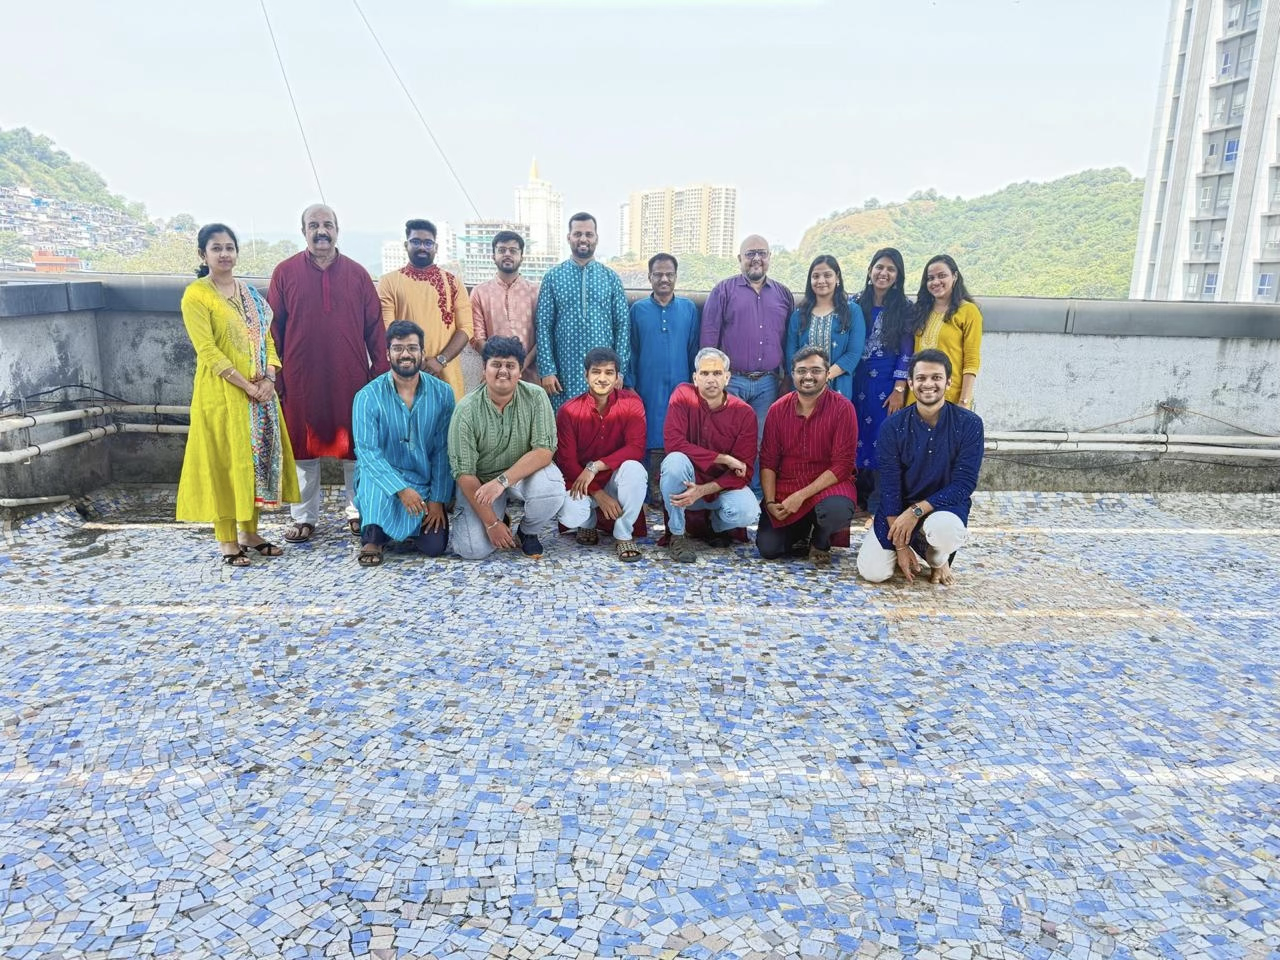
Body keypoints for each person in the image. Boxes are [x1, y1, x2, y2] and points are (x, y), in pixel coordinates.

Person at [177, 223, 299, 565]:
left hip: (260, 394)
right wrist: (247, 386)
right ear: (203, 254)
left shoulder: (248, 294)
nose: (224, 254)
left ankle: (250, 532)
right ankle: (227, 539)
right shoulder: (197, 295)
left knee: (253, 463)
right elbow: (208, 350)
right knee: (225, 463)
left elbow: (268, 341)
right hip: (223, 396)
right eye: (216, 248)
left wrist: (270, 379)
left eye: (229, 247)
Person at [269, 203, 388, 543]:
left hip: (349, 379)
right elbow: (273, 330)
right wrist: (275, 376)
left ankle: (358, 512)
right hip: (301, 377)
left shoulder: (358, 275)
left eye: (327, 224)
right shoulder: (284, 273)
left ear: (338, 230)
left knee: (356, 449)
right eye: (313, 225)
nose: (321, 231)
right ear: (302, 230)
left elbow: (375, 331)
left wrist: (378, 378)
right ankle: (304, 518)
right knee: (303, 452)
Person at [856, 349, 984, 586]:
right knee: (873, 572)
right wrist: (901, 545)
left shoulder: (969, 424)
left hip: (943, 508)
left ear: (948, 382)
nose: (929, 384)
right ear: (911, 382)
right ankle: (911, 546)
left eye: (936, 377)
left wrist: (916, 511)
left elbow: (964, 484)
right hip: (898, 508)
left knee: (946, 530)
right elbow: (890, 485)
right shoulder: (893, 426)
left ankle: (936, 558)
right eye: (922, 378)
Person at [448, 336, 566, 560]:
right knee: (472, 550)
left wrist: (502, 482)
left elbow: (544, 451)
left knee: (552, 489)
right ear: (484, 369)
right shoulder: (466, 410)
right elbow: (464, 473)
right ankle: (500, 517)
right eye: (496, 365)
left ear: (520, 371)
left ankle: (527, 532)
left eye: (510, 366)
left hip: (521, 476)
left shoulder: (535, 396)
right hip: (481, 484)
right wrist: (492, 524)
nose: (503, 371)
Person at [350, 320, 456, 567]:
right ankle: (373, 539)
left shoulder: (443, 394)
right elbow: (368, 453)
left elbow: (443, 450)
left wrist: (438, 500)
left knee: (434, 547)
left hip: (422, 479)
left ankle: (401, 529)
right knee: (375, 519)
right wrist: (400, 489)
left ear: (422, 353)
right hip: (381, 479)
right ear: (388, 354)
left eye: (412, 348)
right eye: (398, 348)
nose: (405, 354)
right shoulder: (367, 396)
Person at [700, 234, 795, 494]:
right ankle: (720, 491)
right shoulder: (723, 290)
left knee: (761, 441)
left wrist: (786, 377)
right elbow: (709, 338)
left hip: (768, 383)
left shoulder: (783, 294)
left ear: (769, 258)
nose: (756, 259)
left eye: (762, 253)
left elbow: (788, 340)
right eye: (750, 253)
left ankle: (751, 494)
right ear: (739, 258)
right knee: (724, 438)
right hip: (733, 380)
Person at [757, 347, 858, 566]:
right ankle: (803, 526)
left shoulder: (843, 409)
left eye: (816, 370)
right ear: (792, 374)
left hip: (828, 485)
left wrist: (801, 496)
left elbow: (843, 465)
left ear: (827, 373)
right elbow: (768, 460)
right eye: (801, 371)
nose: (808, 376)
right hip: (788, 485)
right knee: (768, 549)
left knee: (835, 511)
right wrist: (771, 501)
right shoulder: (777, 410)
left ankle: (821, 539)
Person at [660, 347, 761, 562]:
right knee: (673, 461)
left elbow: (744, 470)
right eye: (704, 374)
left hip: (719, 490)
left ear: (727, 377)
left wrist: (704, 490)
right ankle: (677, 535)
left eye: (716, 373)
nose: (711, 379)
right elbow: (673, 443)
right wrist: (723, 458)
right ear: (695, 378)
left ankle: (715, 527)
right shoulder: (683, 395)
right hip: (685, 490)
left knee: (748, 511)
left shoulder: (744, 413)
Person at [556, 348, 647, 562]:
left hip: (615, 480)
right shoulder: (568, 411)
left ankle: (624, 534)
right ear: (586, 375)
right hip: (581, 482)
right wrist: (598, 493)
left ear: (617, 377)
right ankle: (587, 524)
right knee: (570, 517)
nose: (602, 378)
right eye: (596, 372)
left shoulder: (632, 404)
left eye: (609, 372)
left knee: (635, 469)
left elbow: (636, 448)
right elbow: (566, 462)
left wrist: (595, 466)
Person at [535, 212, 630, 410]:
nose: (583, 239)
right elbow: (543, 325)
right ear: (569, 237)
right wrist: (547, 370)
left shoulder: (610, 278)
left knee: (602, 425)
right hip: (563, 373)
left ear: (596, 238)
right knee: (565, 426)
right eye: (578, 234)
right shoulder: (553, 277)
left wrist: (619, 372)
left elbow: (622, 326)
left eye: (589, 234)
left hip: (604, 372)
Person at [377, 219, 473, 401]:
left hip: (446, 374)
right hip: (405, 371)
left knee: (448, 427)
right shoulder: (389, 282)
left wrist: (440, 360)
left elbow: (466, 328)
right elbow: (387, 328)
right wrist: (417, 360)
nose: (422, 247)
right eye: (416, 241)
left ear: (435, 247)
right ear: (406, 245)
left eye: (428, 243)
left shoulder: (453, 283)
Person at [628, 253, 698, 503]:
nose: (664, 279)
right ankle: (647, 495)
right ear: (649, 277)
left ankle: (675, 491)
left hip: (681, 386)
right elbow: (631, 350)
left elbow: (693, 349)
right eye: (658, 274)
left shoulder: (688, 308)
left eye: (669, 274)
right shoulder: (638, 310)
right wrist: (631, 384)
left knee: (679, 435)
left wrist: (694, 386)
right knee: (647, 435)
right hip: (647, 386)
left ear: (676, 277)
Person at [851, 247, 914, 512]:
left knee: (883, 434)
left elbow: (907, 350)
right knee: (855, 433)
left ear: (898, 276)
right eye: (879, 267)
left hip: (886, 382)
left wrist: (900, 388)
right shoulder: (854, 302)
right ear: (869, 270)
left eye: (890, 269)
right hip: (856, 378)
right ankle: (856, 494)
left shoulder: (905, 308)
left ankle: (880, 499)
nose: (883, 273)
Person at [784, 254, 865, 403]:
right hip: (803, 388)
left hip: (838, 387)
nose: (821, 281)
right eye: (816, 276)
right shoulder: (799, 314)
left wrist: (823, 377)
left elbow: (853, 353)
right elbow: (791, 354)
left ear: (837, 278)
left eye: (827, 275)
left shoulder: (852, 311)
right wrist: (808, 379)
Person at [469, 229, 540, 383]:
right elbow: (477, 337)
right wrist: (500, 366)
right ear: (493, 256)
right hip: (494, 376)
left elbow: (543, 336)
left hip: (529, 376)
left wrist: (520, 365)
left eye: (513, 251)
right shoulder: (480, 292)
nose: (507, 254)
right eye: (502, 250)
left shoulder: (536, 292)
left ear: (522, 257)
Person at [912, 254, 982, 409]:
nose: (935, 282)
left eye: (942, 276)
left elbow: (971, 361)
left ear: (955, 276)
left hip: (951, 396)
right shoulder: (921, 311)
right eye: (930, 278)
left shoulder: (968, 311)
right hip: (917, 397)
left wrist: (964, 401)